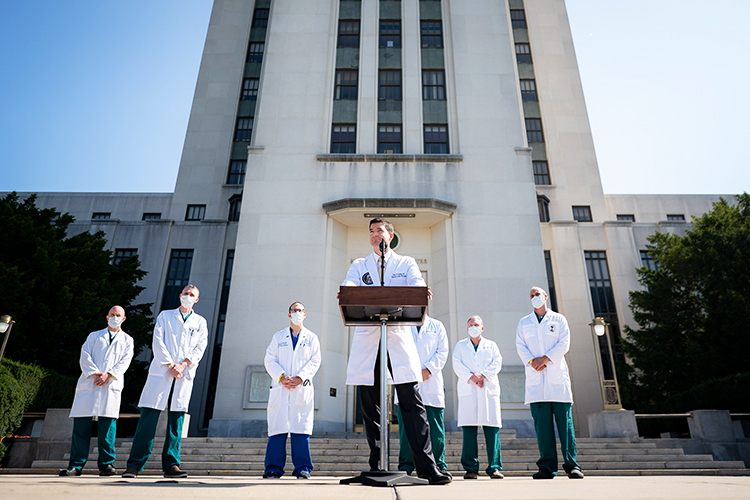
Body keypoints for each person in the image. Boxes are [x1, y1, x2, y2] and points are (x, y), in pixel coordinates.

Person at [340, 218, 451, 485]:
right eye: (371, 232)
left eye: (379, 230)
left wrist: (420, 291)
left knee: (412, 404)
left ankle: (426, 467)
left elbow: (415, 285)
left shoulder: (406, 263)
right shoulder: (359, 264)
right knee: (370, 406)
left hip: (398, 340)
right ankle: (377, 463)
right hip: (370, 340)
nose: (375, 235)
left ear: (390, 235)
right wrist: (350, 293)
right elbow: (350, 287)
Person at [122, 285, 208, 479]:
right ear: (180, 296)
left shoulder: (200, 322)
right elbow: (157, 341)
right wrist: (171, 365)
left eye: (192, 295)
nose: (188, 296)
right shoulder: (165, 316)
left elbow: (200, 347)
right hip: (163, 371)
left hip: (183, 374)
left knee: (176, 422)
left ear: (197, 300)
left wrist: (184, 364)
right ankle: (134, 465)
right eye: (185, 293)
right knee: (148, 419)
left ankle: (171, 465)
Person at [515, 286, 584, 479]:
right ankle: (546, 467)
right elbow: (520, 346)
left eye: (538, 294)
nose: (535, 297)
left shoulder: (559, 319)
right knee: (543, 429)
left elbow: (564, 343)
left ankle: (572, 465)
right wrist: (532, 362)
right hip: (536, 382)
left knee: (566, 427)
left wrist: (544, 359)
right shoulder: (524, 323)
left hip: (557, 380)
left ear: (545, 297)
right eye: (531, 295)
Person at [59, 306, 134, 477]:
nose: (115, 317)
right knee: (81, 427)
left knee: (107, 428)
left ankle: (107, 465)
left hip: (110, 385)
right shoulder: (94, 336)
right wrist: (95, 374)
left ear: (123, 319)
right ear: (107, 317)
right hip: (90, 384)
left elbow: (125, 361)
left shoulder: (128, 340)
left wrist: (109, 375)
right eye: (112, 315)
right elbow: (85, 356)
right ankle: (76, 465)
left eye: (118, 315)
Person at [262, 302, 322, 479]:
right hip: (281, 387)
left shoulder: (311, 338)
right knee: (277, 429)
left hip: (301, 388)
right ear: (289, 315)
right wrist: (281, 377)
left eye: (300, 310)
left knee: (300, 429)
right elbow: (269, 360)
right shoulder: (278, 337)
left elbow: (315, 361)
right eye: (294, 310)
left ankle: (303, 468)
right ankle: (273, 468)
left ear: (305, 315)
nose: (297, 313)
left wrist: (300, 377)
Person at [396, 314, 451, 478]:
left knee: (435, 428)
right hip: (408, 381)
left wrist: (428, 370)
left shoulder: (437, 326)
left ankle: (438, 464)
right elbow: (397, 351)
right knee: (407, 428)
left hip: (431, 383)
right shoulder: (403, 325)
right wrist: (412, 373)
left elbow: (443, 351)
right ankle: (406, 465)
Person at [452, 315, 504, 479]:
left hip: (487, 389)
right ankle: (471, 469)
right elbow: (457, 364)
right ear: (467, 328)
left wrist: (482, 376)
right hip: (469, 389)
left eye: (476, 325)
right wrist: (473, 378)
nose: (473, 327)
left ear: (482, 328)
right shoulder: (460, 346)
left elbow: (497, 363)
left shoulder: (491, 345)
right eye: (470, 325)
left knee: (492, 429)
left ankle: (494, 467)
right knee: (469, 430)